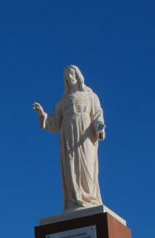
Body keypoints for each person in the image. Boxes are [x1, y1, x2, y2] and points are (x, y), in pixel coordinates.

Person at [33, 65, 106, 212]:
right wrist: (43, 116)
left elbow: (98, 114)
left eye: (72, 74)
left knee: (87, 165)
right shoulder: (62, 102)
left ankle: (89, 199)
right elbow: (55, 124)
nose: (70, 77)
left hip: (85, 133)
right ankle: (75, 200)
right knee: (71, 166)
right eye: (67, 76)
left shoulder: (91, 96)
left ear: (78, 76)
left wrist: (99, 127)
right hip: (68, 135)